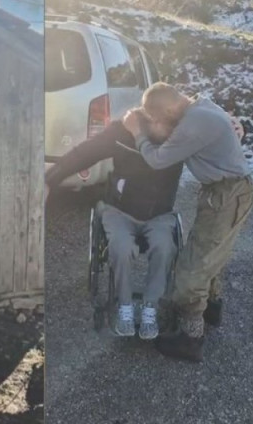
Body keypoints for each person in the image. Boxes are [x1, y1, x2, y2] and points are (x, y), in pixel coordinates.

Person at [122, 82, 253, 361]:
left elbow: (157, 159)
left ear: (171, 108)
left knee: (192, 269)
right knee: (210, 252)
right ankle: (211, 309)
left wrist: (137, 132)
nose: (158, 123)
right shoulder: (202, 105)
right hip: (227, 191)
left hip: (227, 194)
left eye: (158, 117)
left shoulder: (195, 121)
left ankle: (190, 338)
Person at [45, 112, 182, 340]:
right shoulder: (123, 130)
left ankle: (150, 308)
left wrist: (233, 130)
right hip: (119, 211)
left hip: (160, 214)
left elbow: (213, 142)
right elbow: (86, 152)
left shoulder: (182, 133)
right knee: (120, 247)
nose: (160, 126)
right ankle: (125, 307)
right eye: (155, 120)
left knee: (165, 247)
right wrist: (50, 178)